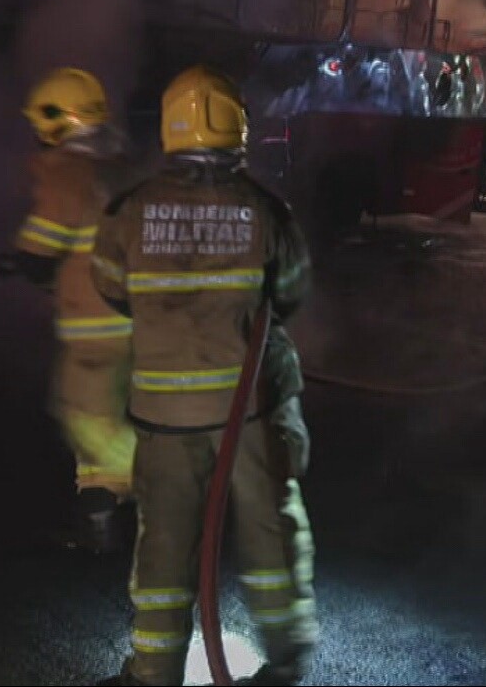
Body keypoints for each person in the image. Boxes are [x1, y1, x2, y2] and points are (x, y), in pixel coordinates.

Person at [92, 65, 317, 687]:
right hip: (252, 412)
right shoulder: (266, 211)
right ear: (237, 131)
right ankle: (287, 660)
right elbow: (292, 292)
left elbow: (111, 289)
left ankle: (153, 672)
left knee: (165, 545)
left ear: (170, 131)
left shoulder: (128, 212)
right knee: (270, 530)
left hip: (166, 420)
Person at [0, 67, 139, 553]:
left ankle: (169, 477)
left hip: (97, 327)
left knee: (81, 414)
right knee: (100, 419)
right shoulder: (118, 169)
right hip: (135, 320)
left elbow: (43, 246)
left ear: (59, 120)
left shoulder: (67, 172)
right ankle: (98, 517)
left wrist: (22, 259)